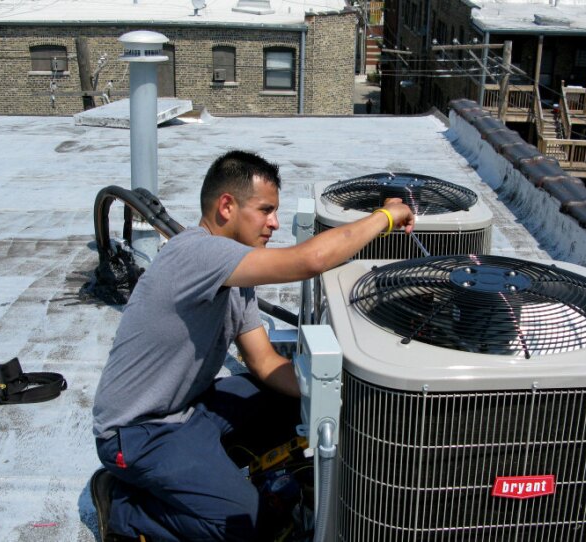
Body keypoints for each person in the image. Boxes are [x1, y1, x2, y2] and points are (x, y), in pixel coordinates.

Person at [90, 150, 415, 542]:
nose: (274, 223)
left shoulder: (236, 274)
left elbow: (263, 362)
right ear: (226, 206)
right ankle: (124, 507)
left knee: (284, 398)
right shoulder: (198, 253)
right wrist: (387, 217)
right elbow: (310, 260)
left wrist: (335, 398)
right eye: (265, 210)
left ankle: (209, 475)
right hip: (139, 432)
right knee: (245, 523)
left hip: (188, 408)